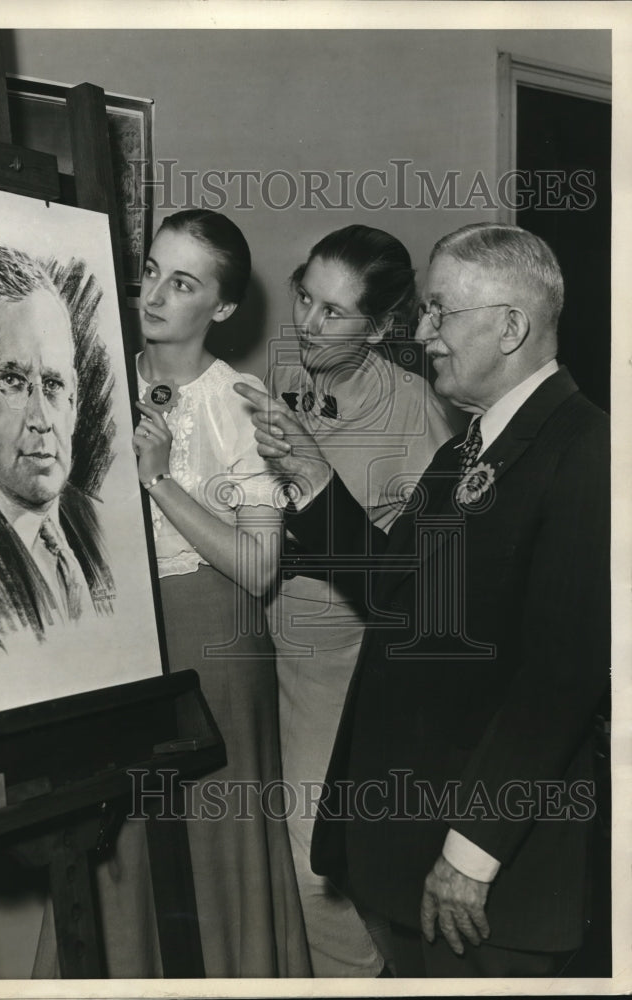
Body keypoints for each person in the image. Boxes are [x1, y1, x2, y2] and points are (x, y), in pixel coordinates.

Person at [236, 222, 610, 978]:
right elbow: (397, 593)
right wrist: (310, 474)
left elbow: (559, 682)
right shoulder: (466, 448)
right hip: (411, 847)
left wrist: (469, 854)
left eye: (441, 313)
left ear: (510, 327)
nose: (424, 334)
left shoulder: (588, 454)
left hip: (483, 878)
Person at [36, 209, 309, 978]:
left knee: (212, 845)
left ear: (220, 308)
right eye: (150, 270)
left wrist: (161, 482)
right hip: (115, 635)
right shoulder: (92, 377)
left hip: (213, 638)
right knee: (112, 842)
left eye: (181, 282)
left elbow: (259, 569)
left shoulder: (243, 405)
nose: (153, 294)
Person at [265, 225, 458, 977]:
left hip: (340, 676)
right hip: (272, 657)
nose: (308, 325)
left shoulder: (416, 414)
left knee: (321, 870)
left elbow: (426, 580)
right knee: (282, 857)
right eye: (304, 298)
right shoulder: (295, 375)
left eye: (334, 313)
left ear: (380, 327)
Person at [0, 246, 114, 648]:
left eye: (53, 384)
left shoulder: (103, 525)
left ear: (75, 396)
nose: (42, 418)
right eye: (12, 381)